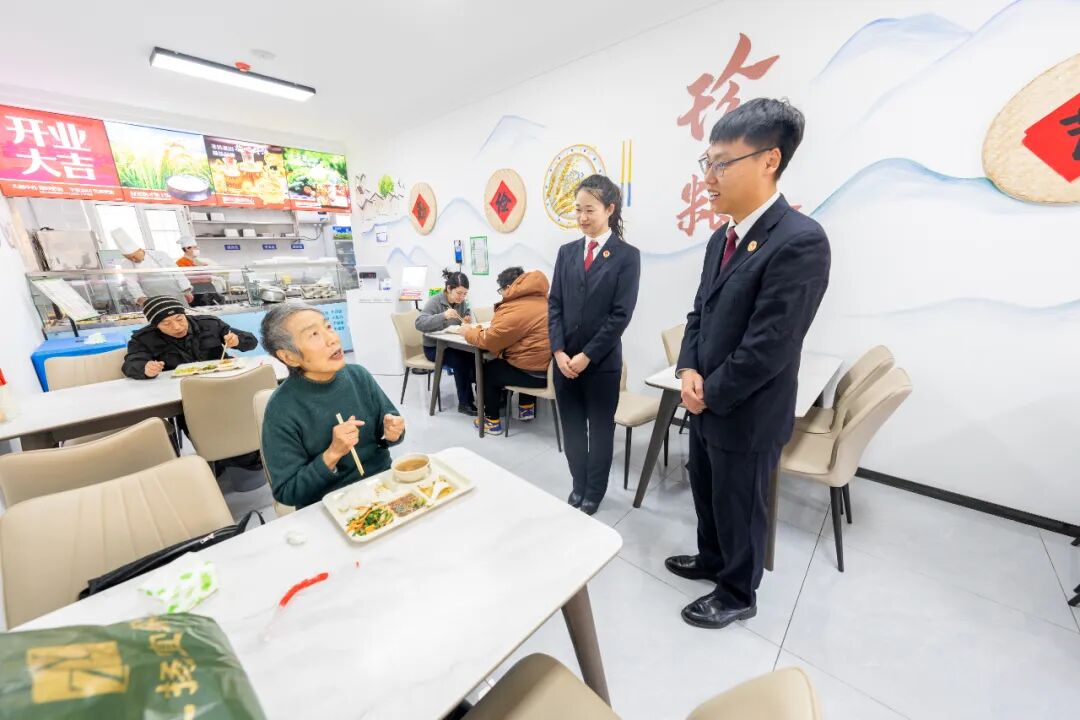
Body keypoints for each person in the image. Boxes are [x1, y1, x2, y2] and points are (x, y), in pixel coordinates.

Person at [668, 98, 830, 630]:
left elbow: (771, 345)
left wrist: (710, 393)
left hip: (748, 409)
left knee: (741, 503)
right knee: (707, 488)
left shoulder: (800, 240)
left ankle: (738, 592)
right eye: (707, 163)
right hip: (705, 396)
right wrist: (688, 371)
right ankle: (712, 559)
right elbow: (700, 312)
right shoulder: (723, 236)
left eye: (722, 164)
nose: (708, 178)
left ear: (769, 161)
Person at [549, 175, 641, 516]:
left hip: (601, 365)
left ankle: (595, 490)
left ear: (609, 209)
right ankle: (578, 484)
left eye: (589, 210)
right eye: (578, 210)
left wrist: (587, 356)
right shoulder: (567, 252)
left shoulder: (627, 256)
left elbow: (620, 315)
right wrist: (559, 352)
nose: (582, 217)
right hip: (563, 363)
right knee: (573, 429)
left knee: (600, 431)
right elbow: (555, 304)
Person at [260, 302, 406, 509]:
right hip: (329, 506)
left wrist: (392, 433)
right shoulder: (281, 409)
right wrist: (333, 454)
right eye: (314, 334)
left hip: (383, 488)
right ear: (288, 357)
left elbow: (391, 428)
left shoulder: (359, 376)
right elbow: (287, 491)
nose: (333, 339)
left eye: (328, 327)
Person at [459, 266, 550, 434]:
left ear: (508, 287)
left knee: (486, 372)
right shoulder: (544, 299)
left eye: (501, 290)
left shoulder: (517, 308)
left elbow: (489, 340)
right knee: (529, 353)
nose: (501, 294)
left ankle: (491, 422)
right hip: (551, 371)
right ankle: (526, 409)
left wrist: (468, 333)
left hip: (532, 374)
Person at [121, 295, 258, 380]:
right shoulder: (143, 338)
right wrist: (145, 368)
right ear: (155, 325)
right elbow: (131, 363)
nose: (176, 327)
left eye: (179, 319)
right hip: (178, 388)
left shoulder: (209, 324)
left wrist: (238, 340)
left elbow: (251, 341)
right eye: (166, 323)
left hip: (220, 379)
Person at [415, 270, 477, 414]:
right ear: (449, 288)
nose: (462, 297)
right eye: (459, 293)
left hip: (453, 345)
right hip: (434, 348)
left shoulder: (461, 302)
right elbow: (419, 323)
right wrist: (443, 316)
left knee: (475, 357)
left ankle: (482, 395)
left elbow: (465, 314)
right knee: (461, 361)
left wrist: (466, 318)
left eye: (465, 294)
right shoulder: (435, 301)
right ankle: (465, 403)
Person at [111, 228, 193, 307]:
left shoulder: (160, 255)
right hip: (153, 300)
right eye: (129, 258)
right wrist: (141, 298)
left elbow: (177, 273)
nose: (133, 260)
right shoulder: (126, 264)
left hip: (175, 294)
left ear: (140, 250)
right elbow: (132, 284)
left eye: (134, 256)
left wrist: (186, 290)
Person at [175, 237, 226, 307]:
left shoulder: (199, 260)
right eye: (195, 247)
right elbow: (189, 278)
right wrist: (209, 276)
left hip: (209, 288)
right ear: (187, 248)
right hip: (196, 290)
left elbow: (212, 270)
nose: (198, 249)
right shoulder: (180, 262)